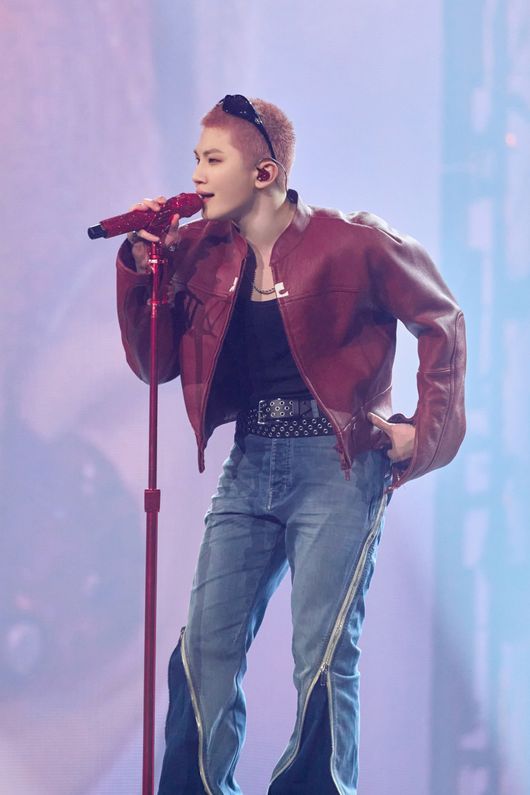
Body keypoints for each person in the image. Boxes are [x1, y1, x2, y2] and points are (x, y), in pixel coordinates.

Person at [115, 94, 466, 795]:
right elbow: (156, 365)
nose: (198, 174)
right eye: (196, 158)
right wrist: (138, 267)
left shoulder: (354, 243)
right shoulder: (198, 251)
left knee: (323, 653)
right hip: (251, 461)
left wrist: (423, 433)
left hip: (337, 465)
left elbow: (442, 319)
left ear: (265, 172)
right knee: (205, 645)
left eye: (214, 159)